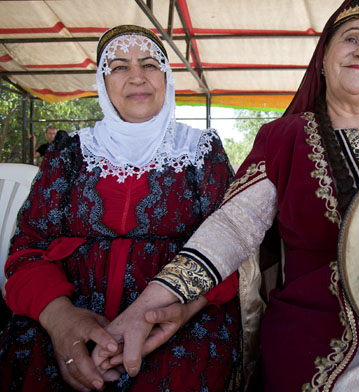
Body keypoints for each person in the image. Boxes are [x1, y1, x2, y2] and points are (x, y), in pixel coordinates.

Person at [95, 2, 359, 391]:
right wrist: (149, 305)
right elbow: (232, 227)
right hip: (325, 326)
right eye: (352, 38)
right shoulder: (284, 137)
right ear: (323, 57)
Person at [0, 25, 242, 392]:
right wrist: (61, 320)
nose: (137, 77)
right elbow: (26, 250)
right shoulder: (69, 154)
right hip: (68, 312)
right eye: (118, 67)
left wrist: (181, 311)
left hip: (177, 316)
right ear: (102, 80)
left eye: (149, 64)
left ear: (166, 76)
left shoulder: (200, 152)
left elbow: (231, 247)